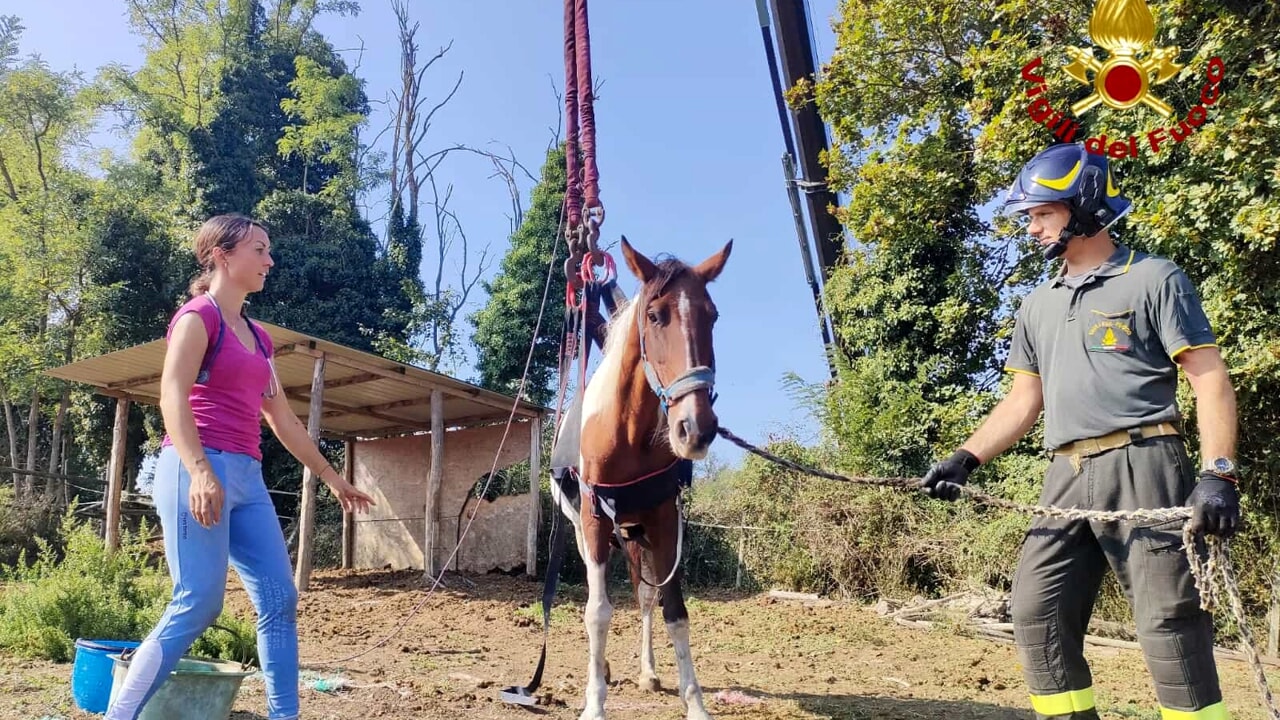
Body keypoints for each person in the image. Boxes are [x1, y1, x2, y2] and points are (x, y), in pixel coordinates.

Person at [921, 143, 1240, 720]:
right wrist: (965, 457)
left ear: (1083, 204)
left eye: (1043, 213)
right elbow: (1024, 400)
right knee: (1036, 609)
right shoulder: (1036, 306)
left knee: (1167, 619)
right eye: (1030, 217)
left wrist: (1218, 472)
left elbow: (1209, 378)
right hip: (1065, 476)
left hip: (1145, 463)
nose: (1033, 228)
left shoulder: (1152, 278)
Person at [106, 214, 376, 720]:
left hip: (248, 477)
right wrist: (202, 470)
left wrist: (334, 478)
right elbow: (172, 395)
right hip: (196, 468)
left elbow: (283, 419)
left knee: (279, 600)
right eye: (259, 249)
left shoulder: (258, 338)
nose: (269, 260)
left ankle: (284, 715)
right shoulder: (197, 317)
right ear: (222, 255)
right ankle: (119, 715)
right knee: (199, 601)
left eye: (268, 250)